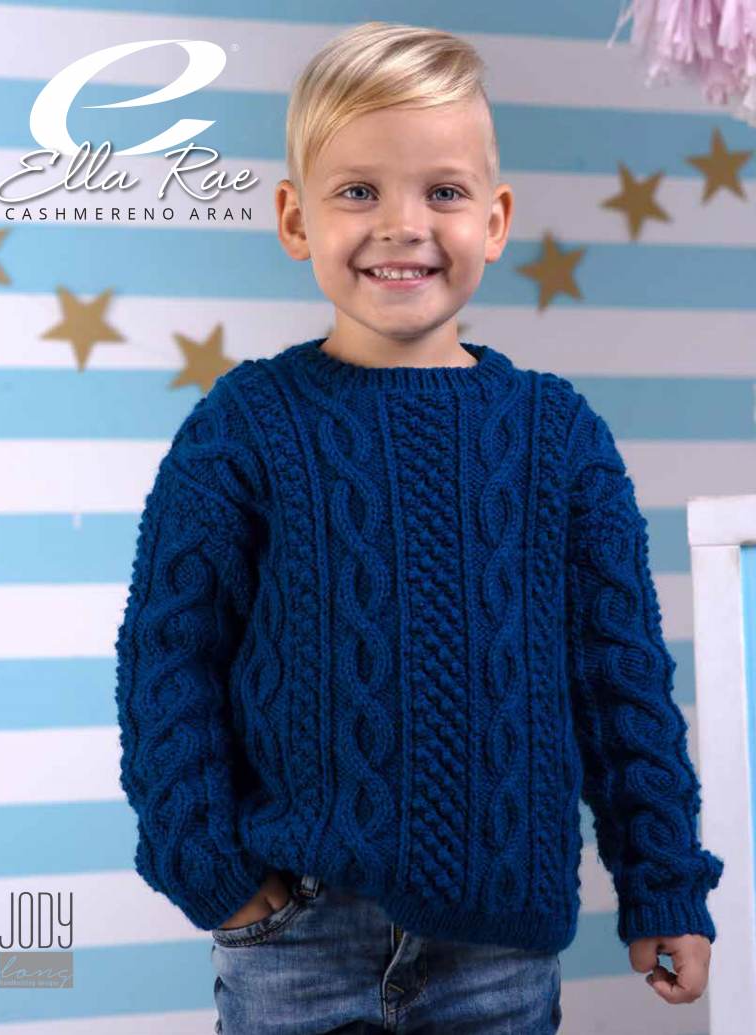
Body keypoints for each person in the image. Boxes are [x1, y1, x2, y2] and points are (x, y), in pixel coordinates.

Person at [114, 20, 725, 1035]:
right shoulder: (243, 427)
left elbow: (619, 682)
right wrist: (210, 870)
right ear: (295, 218)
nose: (402, 225)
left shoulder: (558, 435)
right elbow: (168, 658)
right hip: (295, 936)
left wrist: (661, 877)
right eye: (358, 190)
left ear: (495, 220)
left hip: (500, 951)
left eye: (441, 192)